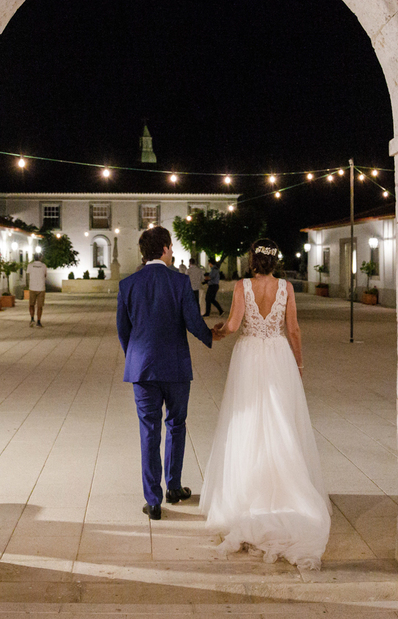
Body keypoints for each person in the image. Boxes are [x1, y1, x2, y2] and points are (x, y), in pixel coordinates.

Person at [202, 239, 329, 570]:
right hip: (277, 355)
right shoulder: (286, 287)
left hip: (249, 356)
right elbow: (294, 330)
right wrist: (298, 365)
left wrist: (216, 333)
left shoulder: (242, 286)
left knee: (246, 420)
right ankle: (285, 486)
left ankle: (247, 491)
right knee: (279, 419)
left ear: (252, 260)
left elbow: (232, 326)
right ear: (275, 261)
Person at [117, 227, 214, 520]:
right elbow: (193, 321)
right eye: (171, 248)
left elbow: (124, 330)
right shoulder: (180, 282)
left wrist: (134, 357)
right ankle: (173, 486)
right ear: (166, 249)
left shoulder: (128, 284)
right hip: (175, 367)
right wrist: (211, 336)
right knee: (176, 424)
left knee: (149, 431)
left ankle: (153, 500)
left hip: (142, 368)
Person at [26, 254, 48, 327]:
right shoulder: (44, 265)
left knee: (31, 304)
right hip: (41, 288)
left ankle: (32, 318)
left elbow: (28, 275)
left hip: (32, 287)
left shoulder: (30, 265)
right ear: (40, 258)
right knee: (40, 306)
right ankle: (38, 321)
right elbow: (45, 275)